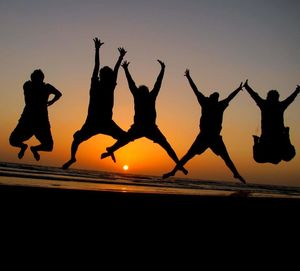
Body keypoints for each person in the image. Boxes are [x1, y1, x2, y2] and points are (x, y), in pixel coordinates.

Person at [101, 60, 188, 175]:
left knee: (163, 145)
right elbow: (137, 84)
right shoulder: (146, 96)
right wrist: (162, 69)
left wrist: (126, 69)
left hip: (149, 128)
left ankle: (111, 149)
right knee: (128, 139)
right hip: (142, 127)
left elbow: (154, 83)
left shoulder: (144, 96)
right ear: (145, 92)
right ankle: (111, 149)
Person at [163, 69, 245, 184]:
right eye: (214, 96)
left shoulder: (215, 104)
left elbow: (229, 97)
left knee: (224, 157)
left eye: (216, 97)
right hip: (206, 136)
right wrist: (188, 78)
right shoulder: (209, 103)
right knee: (189, 155)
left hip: (211, 136)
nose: (215, 97)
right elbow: (195, 90)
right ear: (211, 97)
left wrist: (238, 89)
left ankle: (235, 173)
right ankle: (173, 171)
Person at [62, 38, 127, 169]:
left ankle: (111, 150)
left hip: (104, 122)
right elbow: (97, 66)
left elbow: (113, 71)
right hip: (93, 122)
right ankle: (72, 158)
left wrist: (119, 57)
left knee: (126, 137)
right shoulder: (98, 84)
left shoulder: (107, 85)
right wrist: (98, 50)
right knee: (76, 140)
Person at [9, 69, 62, 161]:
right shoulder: (32, 86)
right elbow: (58, 94)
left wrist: (52, 101)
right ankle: (24, 147)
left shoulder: (30, 85)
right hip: (28, 121)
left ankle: (34, 149)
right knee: (12, 141)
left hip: (39, 122)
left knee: (49, 146)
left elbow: (59, 94)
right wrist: (52, 101)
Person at [243, 80, 300, 164]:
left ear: (268, 97)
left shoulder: (265, 104)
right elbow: (290, 99)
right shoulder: (279, 105)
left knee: (258, 158)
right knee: (288, 156)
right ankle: (286, 134)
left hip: (270, 139)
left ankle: (285, 135)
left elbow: (255, 96)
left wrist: (247, 87)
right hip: (278, 138)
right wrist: (297, 91)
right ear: (277, 98)